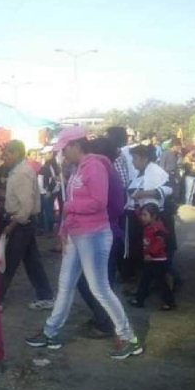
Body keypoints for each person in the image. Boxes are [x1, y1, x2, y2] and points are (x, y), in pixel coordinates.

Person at [25, 127, 142, 360]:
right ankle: (51, 332)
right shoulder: (79, 168)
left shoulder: (95, 167)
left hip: (94, 235)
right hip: (77, 235)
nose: (62, 154)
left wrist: (69, 209)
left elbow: (98, 203)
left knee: (99, 288)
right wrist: (63, 228)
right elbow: (73, 202)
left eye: (64, 149)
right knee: (66, 286)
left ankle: (129, 338)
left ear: (76, 146)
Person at [0, 140, 54, 313]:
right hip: (24, 221)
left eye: (8, 153)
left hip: (20, 222)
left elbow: (26, 204)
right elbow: (21, 198)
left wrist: (12, 224)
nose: (5, 156)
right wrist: (4, 194)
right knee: (32, 262)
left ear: (17, 153)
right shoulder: (20, 171)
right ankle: (46, 296)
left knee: (7, 262)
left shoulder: (21, 173)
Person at [75, 138, 126, 338]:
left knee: (90, 281)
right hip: (107, 231)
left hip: (102, 232)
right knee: (98, 281)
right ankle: (102, 317)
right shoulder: (108, 172)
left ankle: (105, 322)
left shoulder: (102, 173)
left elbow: (108, 206)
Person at [125, 145, 177, 285]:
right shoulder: (141, 172)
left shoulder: (155, 171)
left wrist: (146, 193)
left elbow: (170, 188)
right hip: (140, 217)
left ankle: (167, 284)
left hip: (153, 218)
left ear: (144, 158)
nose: (133, 162)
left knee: (155, 252)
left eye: (135, 158)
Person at [130, 204, 176, 310]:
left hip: (157, 260)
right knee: (145, 280)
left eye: (145, 215)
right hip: (151, 260)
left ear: (154, 216)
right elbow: (139, 215)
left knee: (160, 283)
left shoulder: (158, 228)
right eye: (142, 215)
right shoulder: (149, 225)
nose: (142, 217)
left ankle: (170, 302)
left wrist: (150, 254)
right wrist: (136, 205)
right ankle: (139, 300)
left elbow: (159, 244)